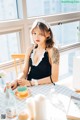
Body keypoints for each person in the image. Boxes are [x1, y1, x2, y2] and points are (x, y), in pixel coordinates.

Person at [11, 19, 60, 90]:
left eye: (40, 34)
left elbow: (55, 78)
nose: (36, 37)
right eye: (34, 33)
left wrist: (32, 83)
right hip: (30, 86)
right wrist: (16, 81)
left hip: (46, 87)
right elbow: (24, 72)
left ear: (48, 34)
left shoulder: (54, 51)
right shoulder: (30, 50)